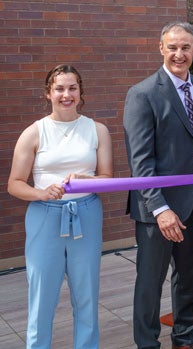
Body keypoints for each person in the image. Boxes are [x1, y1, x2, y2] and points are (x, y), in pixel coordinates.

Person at [7, 64, 113, 348]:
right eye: (59, 89)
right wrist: (40, 193)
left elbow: (106, 178)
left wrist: (84, 180)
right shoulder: (34, 133)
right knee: (42, 297)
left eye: (72, 88)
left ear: (80, 92)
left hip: (87, 214)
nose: (66, 95)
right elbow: (14, 183)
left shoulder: (97, 130)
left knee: (87, 295)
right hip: (45, 217)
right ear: (48, 93)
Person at [123, 21, 193, 349]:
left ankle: (184, 339)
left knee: (188, 280)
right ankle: (147, 343)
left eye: (185, 47)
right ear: (160, 48)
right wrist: (161, 209)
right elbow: (141, 161)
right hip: (156, 211)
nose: (179, 54)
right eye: (172, 47)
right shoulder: (142, 93)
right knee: (150, 283)